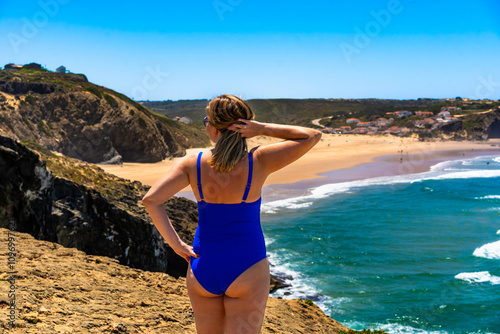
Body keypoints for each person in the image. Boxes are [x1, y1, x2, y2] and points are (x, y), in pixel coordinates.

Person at [142, 94, 322, 334]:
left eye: (206, 119)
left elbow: (151, 200)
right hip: (247, 266)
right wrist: (260, 129)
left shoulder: (192, 164)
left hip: (203, 266)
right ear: (243, 126)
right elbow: (312, 135)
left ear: (214, 127)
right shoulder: (259, 160)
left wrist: (176, 246)